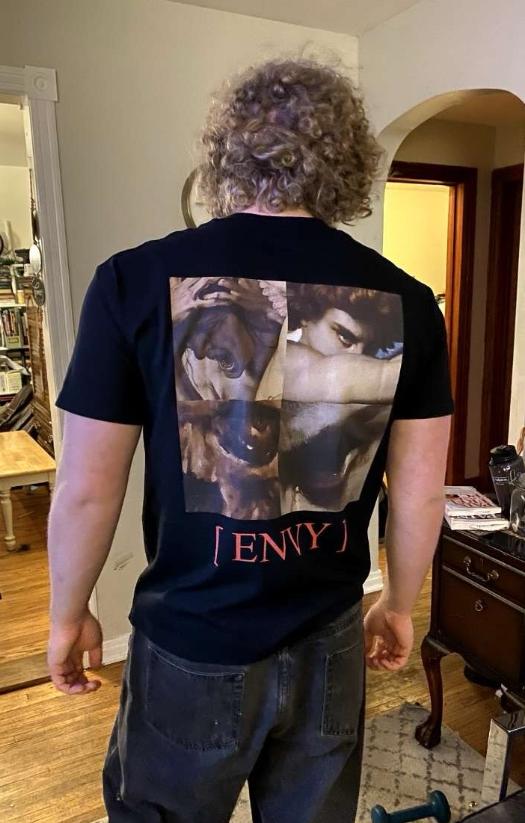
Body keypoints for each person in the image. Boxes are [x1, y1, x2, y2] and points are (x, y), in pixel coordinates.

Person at [47, 55, 453, 823]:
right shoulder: (407, 301)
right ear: (344, 158)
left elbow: (87, 487)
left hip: (190, 641)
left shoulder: (134, 279)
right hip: (329, 637)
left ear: (226, 150)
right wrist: (399, 602)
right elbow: (419, 490)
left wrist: (69, 613)